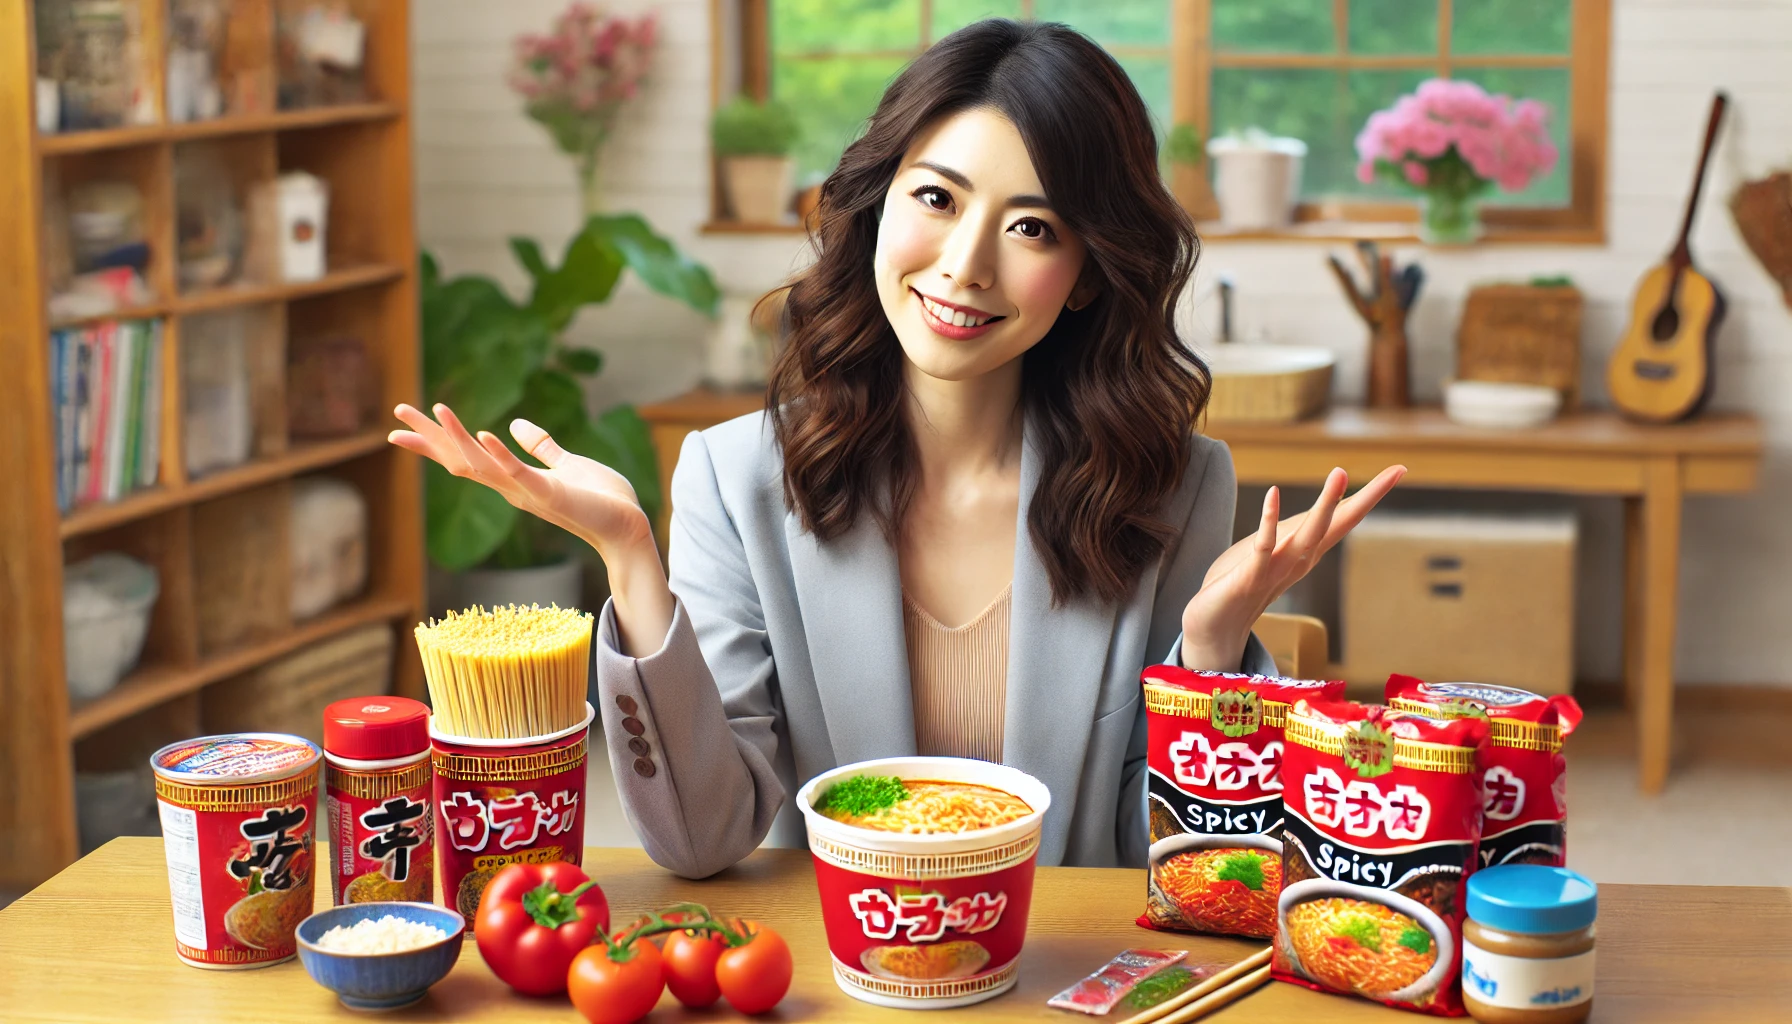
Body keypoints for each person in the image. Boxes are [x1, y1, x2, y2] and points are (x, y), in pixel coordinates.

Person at [391, 19, 1404, 879]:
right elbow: (702, 841)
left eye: (1034, 227)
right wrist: (629, 557)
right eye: (936, 199)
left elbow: (1174, 862)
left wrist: (1215, 645)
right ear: (878, 205)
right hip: (843, 975)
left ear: (1090, 274)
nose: (963, 267)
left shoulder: (1172, 484)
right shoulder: (732, 479)